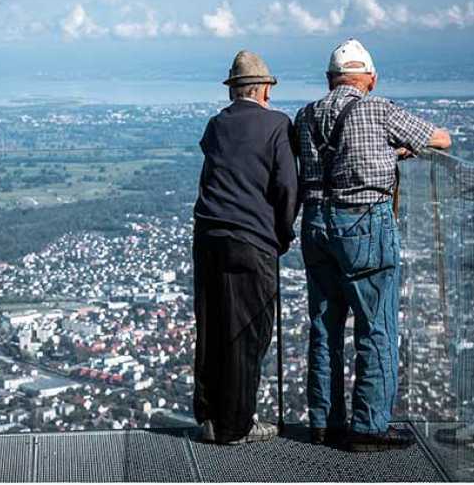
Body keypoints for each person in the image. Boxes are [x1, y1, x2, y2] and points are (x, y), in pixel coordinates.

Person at [292, 38, 451, 451]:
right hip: (364, 222)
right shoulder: (377, 108)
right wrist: (397, 151)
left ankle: (324, 422)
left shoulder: (305, 115)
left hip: (315, 224)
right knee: (376, 325)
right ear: (371, 79)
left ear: (330, 80)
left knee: (324, 327)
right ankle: (368, 426)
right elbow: (439, 139)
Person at [193, 50, 298, 444]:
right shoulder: (276, 125)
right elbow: (287, 186)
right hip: (252, 238)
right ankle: (236, 425)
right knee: (248, 331)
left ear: (234, 90)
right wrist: (282, 235)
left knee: (212, 326)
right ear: (265, 89)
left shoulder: (216, 124)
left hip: (208, 235)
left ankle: (208, 416)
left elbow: (210, 176)